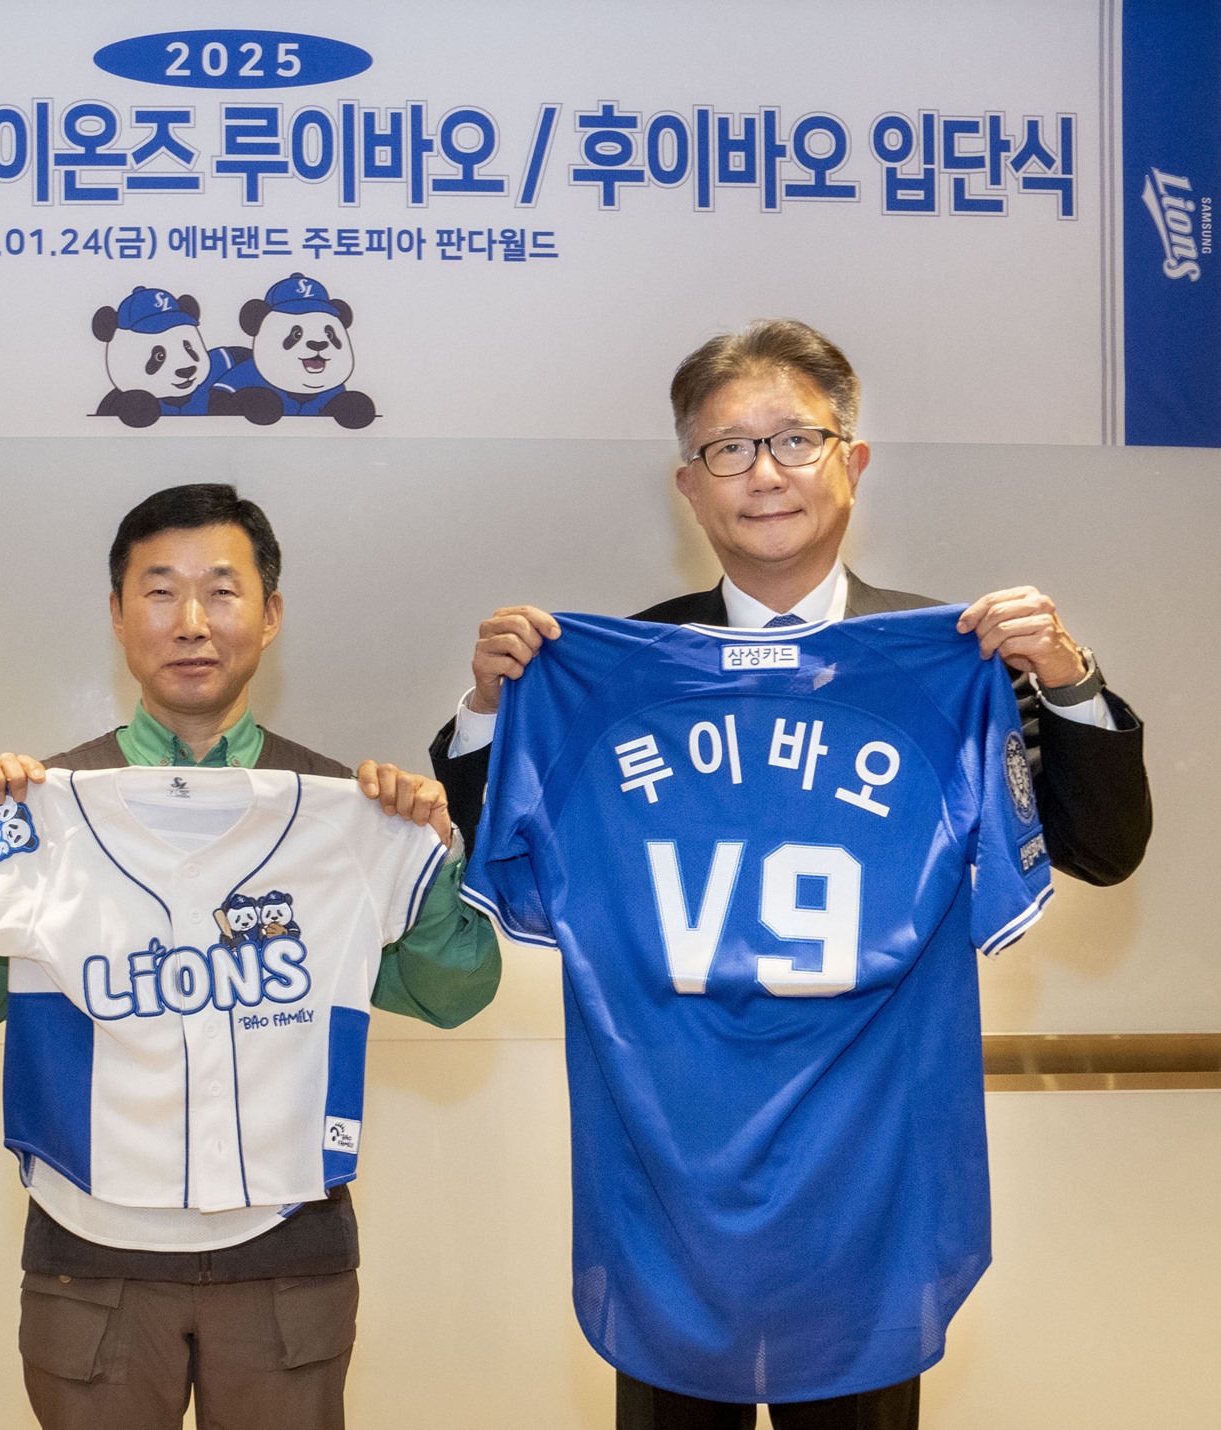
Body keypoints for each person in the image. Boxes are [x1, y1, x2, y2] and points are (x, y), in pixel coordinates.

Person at [431, 319, 1151, 1428]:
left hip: (867, 1186)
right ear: (686, 484)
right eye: (727, 448)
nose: (762, 472)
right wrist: (491, 710)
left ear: (851, 463)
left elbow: (1102, 847)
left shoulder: (949, 662)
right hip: (670, 1180)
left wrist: (1066, 675)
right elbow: (483, 850)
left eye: (793, 439)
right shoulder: (609, 670)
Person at [0, 482, 501, 1430]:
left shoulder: (341, 807)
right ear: (119, 616)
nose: (192, 622)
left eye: (222, 590)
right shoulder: (46, 808)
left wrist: (425, 852)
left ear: (270, 614)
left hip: (288, 1254)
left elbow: (455, 994)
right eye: (160, 591)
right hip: (91, 1259)